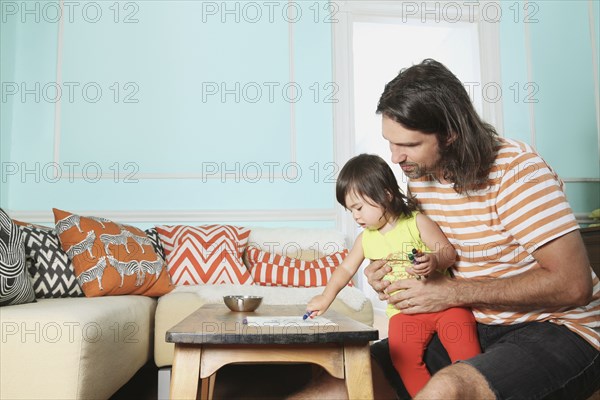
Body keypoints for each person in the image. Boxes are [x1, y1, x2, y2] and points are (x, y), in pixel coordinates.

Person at [363, 59, 600, 399]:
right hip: (471, 324)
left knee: (449, 389)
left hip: (563, 328)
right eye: (391, 143)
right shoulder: (419, 176)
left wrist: (451, 293)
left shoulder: (517, 170)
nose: (396, 158)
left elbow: (573, 284)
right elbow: (432, 255)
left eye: (410, 145)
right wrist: (389, 271)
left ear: (449, 134)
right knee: (355, 369)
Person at [306, 153, 481, 397]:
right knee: (403, 359)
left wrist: (433, 260)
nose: (355, 216)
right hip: (405, 313)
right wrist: (326, 297)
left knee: (467, 357)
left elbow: (448, 252)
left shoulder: (416, 222)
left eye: (359, 207)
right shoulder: (366, 239)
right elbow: (345, 269)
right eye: (350, 210)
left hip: (446, 305)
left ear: (386, 195)